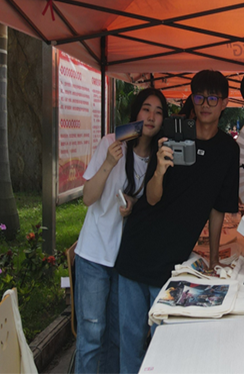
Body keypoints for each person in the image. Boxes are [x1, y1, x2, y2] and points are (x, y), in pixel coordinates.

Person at [115, 71, 240, 374]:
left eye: (213, 98)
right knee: (130, 342)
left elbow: (217, 208)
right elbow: (152, 198)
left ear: (225, 103)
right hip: (137, 250)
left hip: (175, 262)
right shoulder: (172, 136)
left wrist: (213, 259)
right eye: (199, 96)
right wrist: (159, 170)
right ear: (192, 99)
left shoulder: (228, 149)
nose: (205, 104)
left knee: (165, 346)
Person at [74, 88, 166, 374]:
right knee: (91, 336)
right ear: (136, 112)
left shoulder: (156, 158)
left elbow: (150, 203)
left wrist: (133, 204)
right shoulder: (111, 143)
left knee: (117, 338)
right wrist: (109, 163)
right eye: (146, 109)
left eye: (158, 112)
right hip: (94, 255)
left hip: (125, 262)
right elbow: (88, 198)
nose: (151, 117)